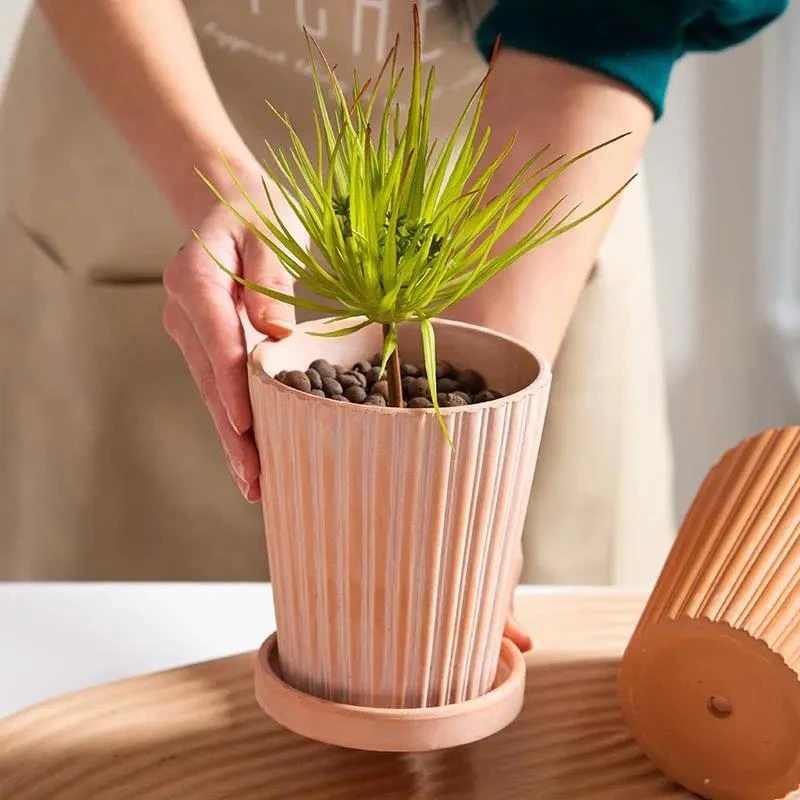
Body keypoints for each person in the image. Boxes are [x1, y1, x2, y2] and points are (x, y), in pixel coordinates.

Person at [0, 2, 785, 597]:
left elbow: (610, 13)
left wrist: (467, 464)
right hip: (148, 121)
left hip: (524, 192)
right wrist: (208, 173)